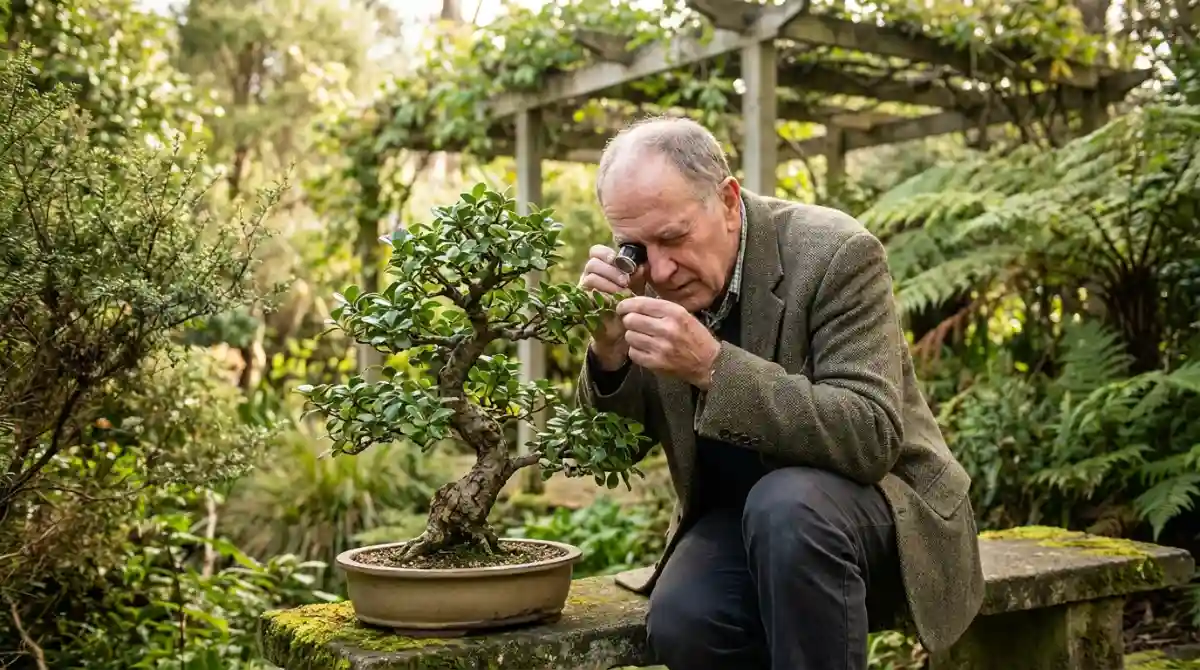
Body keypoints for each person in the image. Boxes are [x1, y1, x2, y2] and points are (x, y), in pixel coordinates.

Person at [574, 115, 985, 670]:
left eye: (673, 237)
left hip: (881, 510)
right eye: (636, 247)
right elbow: (609, 454)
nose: (662, 269)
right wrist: (609, 352)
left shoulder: (837, 253)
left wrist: (715, 369)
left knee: (786, 507)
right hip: (738, 518)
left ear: (727, 201)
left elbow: (870, 436)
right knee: (686, 619)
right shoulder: (645, 284)